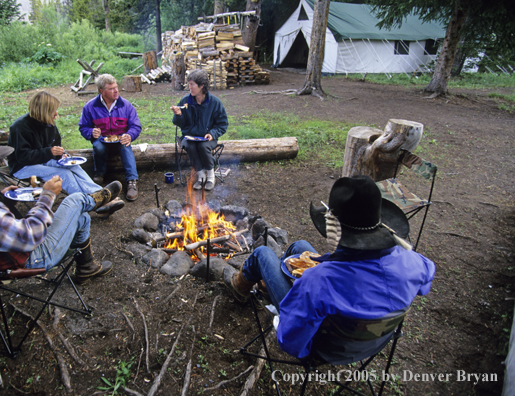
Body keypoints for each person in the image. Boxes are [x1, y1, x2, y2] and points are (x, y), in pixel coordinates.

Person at [223, 175, 436, 361]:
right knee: (299, 247)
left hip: (323, 348)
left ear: (335, 229)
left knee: (262, 254)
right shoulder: (415, 262)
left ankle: (240, 288)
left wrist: (286, 315)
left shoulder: (319, 280)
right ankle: (265, 285)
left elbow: (290, 342)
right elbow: (423, 284)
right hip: (374, 342)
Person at [0, 123, 122, 285]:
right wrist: (47, 195)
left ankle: (87, 267)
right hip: (29, 259)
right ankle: (97, 198)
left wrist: (1, 199)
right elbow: (30, 237)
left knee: (81, 217)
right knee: (74, 200)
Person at [8, 91, 124, 217]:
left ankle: (101, 194)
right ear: (43, 111)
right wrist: (49, 152)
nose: (56, 114)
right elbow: (22, 157)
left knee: (72, 165)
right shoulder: (19, 127)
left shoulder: (48, 123)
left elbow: (55, 146)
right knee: (63, 174)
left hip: (43, 160)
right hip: (23, 167)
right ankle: (91, 203)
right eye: (53, 111)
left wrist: (60, 155)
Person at [79, 74, 141, 202]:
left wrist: (129, 135)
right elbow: (83, 127)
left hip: (120, 140)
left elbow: (136, 126)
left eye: (116, 87)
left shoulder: (126, 105)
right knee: (98, 146)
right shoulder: (90, 107)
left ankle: (132, 181)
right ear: (102, 91)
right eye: (111, 88)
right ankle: (100, 174)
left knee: (126, 146)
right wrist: (91, 132)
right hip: (102, 140)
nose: (116, 91)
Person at [171, 69, 228, 191]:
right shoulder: (186, 101)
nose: (189, 87)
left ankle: (211, 176)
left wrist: (213, 133)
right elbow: (178, 124)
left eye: (192, 84)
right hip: (189, 137)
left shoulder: (214, 103)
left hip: (207, 137)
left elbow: (222, 124)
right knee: (190, 146)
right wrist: (179, 115)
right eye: (189, 84)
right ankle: (201, 176)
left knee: (202, 146)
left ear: (202, 86)